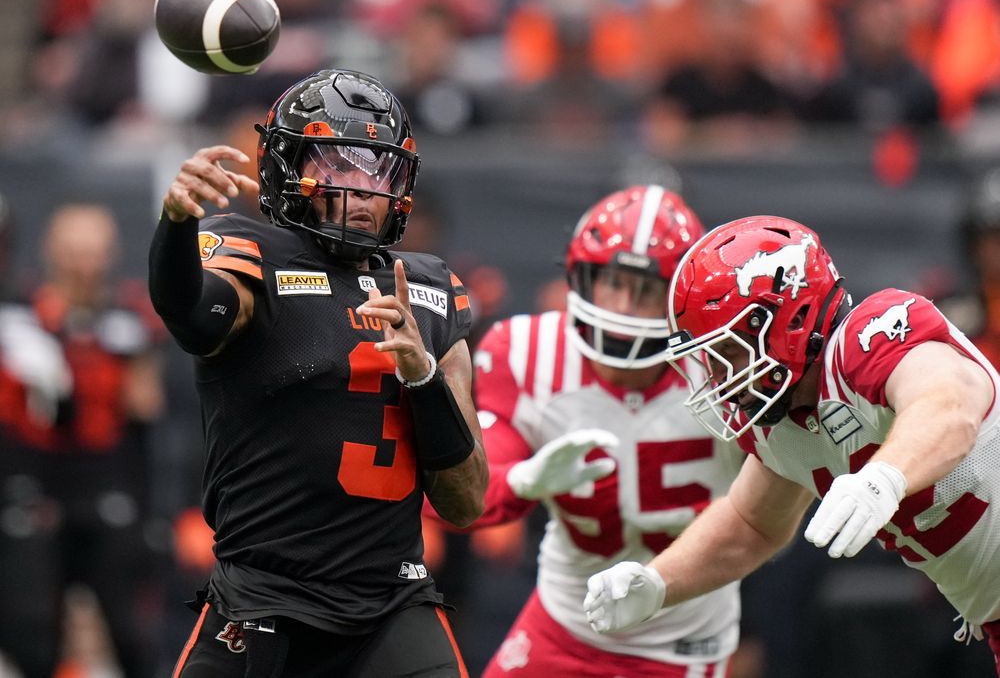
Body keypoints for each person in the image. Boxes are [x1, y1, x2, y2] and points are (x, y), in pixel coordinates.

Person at [148, 68, 488, 677]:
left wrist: (423, 375)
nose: (363, 191)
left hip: (391, 603)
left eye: (378, 172)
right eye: (339, 168)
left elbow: (465, 501)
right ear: (289, 171)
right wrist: (176, 224)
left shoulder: (431, 290)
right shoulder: (253, 254)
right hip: (264, 597)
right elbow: (193, 318)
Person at [583, 215, 1000, 672]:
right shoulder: (783, 424)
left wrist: (884, 477)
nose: (721, 377)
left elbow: (950, 406)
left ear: (789, 317)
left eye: (732, 352)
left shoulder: (869, 338)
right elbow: (750, 524)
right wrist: (659, 583)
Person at [455, 185, 746, 677]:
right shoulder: (526, 353)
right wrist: (524, 481)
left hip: (677, 640)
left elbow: (768, 510)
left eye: (647, 289)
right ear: (580, 279)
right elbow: (465, 496)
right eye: (612, 281)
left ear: (682, 296)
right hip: (562, 620)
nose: (625, 308)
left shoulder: (727, 366)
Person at [0, 202, 168, 678]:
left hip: (105, 480)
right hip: (34, 480)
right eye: (73, 251)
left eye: (92, 252)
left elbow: (147, 409)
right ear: (51, 251)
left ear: (111, 254)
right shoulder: (18, 314)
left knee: (133, 632)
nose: (82, 263)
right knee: (32, 632)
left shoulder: (129, 314)